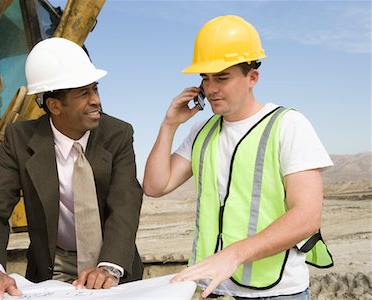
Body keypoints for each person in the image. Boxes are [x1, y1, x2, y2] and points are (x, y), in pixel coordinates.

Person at [143, 15, 333, 299]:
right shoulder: (201, 131)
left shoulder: (288, 124)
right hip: (215, 289)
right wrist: (169, 124)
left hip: (277, 292)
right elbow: (156, 186)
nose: (211, 88)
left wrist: (234, 254)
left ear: (252, 78)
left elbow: (307, 217)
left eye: (222, 77)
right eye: (206, 79)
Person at [0, 37, 144, 300]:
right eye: (84, 94)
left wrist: (110, 266)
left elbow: (125, 204)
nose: (96, 100)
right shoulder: (20, 139)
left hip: (109, 263)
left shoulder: (118, 134)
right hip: (51, 267)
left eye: (95, 89)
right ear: (54, 106)